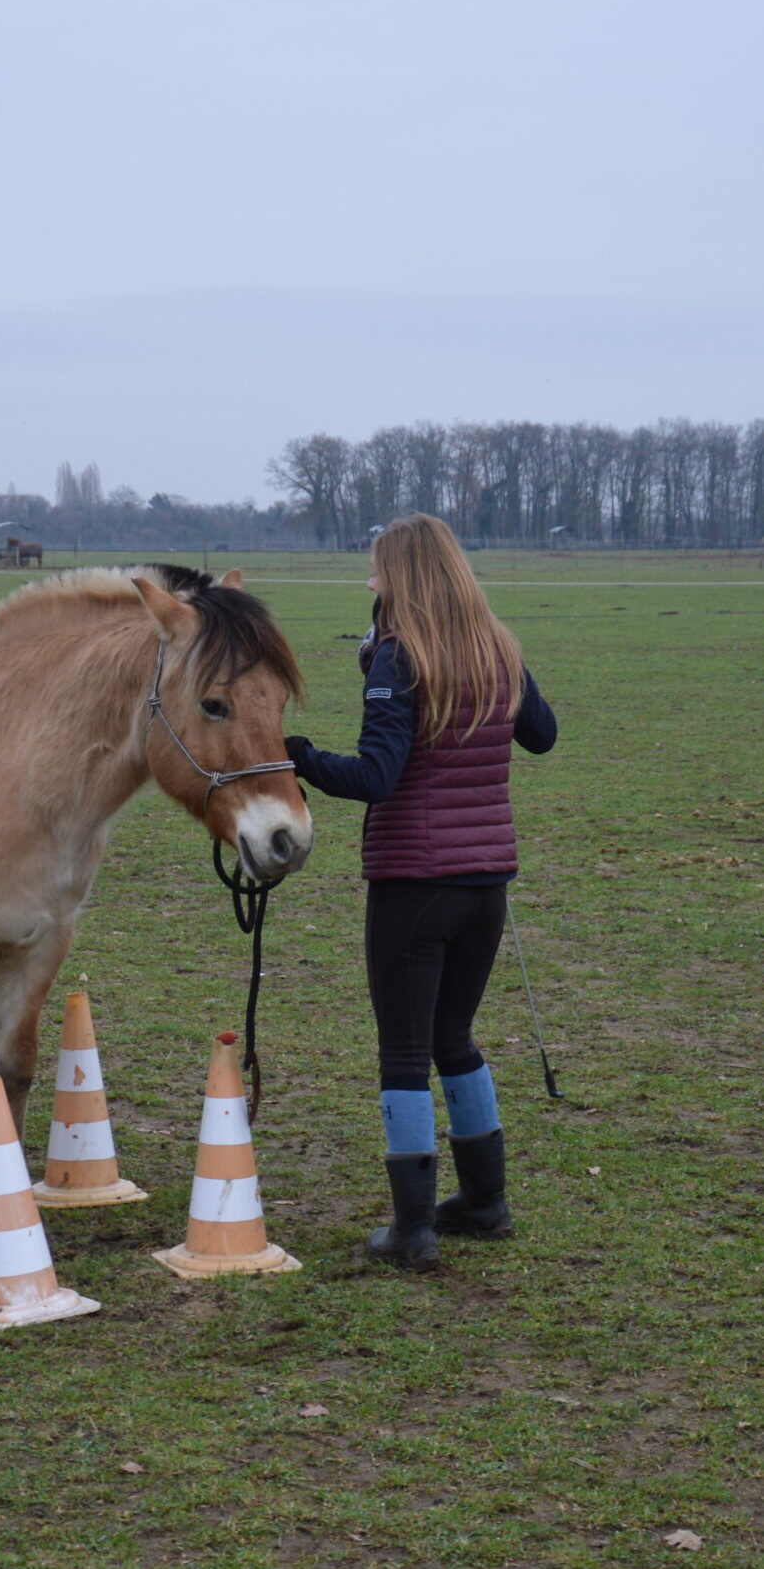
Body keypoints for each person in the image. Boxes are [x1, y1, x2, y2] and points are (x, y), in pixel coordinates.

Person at [285, 514, 557, 1271]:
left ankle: (412, 1230)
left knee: (404, 1051)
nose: (368, 580)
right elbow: (543, 734)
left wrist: (297, 756)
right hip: (486, 887)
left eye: (375, 569)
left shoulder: (400, 660)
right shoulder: (497, 646)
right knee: (454, 1040)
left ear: (399, 576)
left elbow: (376, 777)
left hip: (415, 885)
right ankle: (485, 1202)